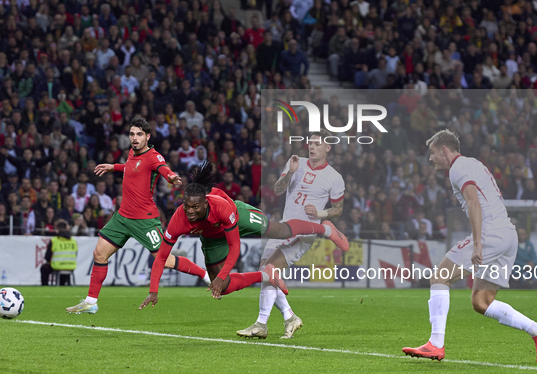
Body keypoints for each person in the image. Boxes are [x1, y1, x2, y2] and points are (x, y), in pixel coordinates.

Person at [403, 129, 537, 363]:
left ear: (445, 150)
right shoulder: (474, 164)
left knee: (439, 277)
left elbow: (474, 203)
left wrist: (477, 244)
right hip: (507, 235)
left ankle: (435, 344)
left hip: (490, 233)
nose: (431, 158)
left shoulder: (458, 169)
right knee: (481, 301)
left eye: (432, 153)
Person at [138, 160, 348, 308]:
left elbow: (235, 247)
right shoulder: (178, 219)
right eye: (186, 207)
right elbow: (161, 257)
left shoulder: (221, 208)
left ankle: (325, 228)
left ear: (205, 202)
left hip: (239, 217)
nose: (190, 211)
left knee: (282, 231)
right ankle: (267, 275)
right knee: (223, 287)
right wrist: (153, 290)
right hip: (211, 237)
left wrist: (221, 275)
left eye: (195, 207)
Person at [66, 116, 211, 314]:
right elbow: (133, 168)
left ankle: (205, 274)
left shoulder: (153, 156)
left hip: (144, 220)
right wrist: (113, 166)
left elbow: (162, 168)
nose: (135, 138)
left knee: (166, 260)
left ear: (147, 137)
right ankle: (91, 302)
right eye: (132, 134)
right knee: (99, 253)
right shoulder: (131, 153)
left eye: (139, 134)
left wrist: (171, 177)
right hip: (123, 217)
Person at [237, 131, 345, 339]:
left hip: (304, 233)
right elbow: (278, 190)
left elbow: (338, 209)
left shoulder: (334, 177)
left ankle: (262, 324)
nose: (311, 147)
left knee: (269, 270)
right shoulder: (296, 162)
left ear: (328, 148)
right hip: (283, 228)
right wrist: (289, 173)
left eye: (317, 144)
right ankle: (289, 318)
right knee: (265, 272)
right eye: (310, 143)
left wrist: (320, 213)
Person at [41, 220, 78, 286]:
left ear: (57, 229)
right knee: (64, 268)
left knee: (44, 268)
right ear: (66, 229)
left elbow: (47, 257)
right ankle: (63, 284)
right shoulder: (73, 241)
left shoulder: (54, 240)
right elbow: (75, 254)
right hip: (71, 265)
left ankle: (45, 286)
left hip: (57, 266)